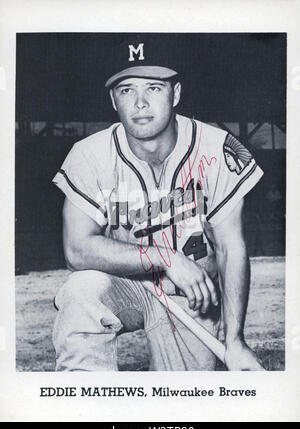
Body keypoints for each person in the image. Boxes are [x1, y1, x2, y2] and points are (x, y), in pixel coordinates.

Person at [52, 36, 265, 371]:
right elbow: (76, 249)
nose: (140, 102)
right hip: (125, 285)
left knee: (185, 407)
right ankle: (86, 405)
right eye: (127, 90)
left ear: (175, 94)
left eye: (153, 87)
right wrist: (164, 257)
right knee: (81, 292)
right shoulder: (89, 155)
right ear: (113, 100)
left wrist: (235, 340)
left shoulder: (216, 148)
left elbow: (230, 247)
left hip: (192, 295)